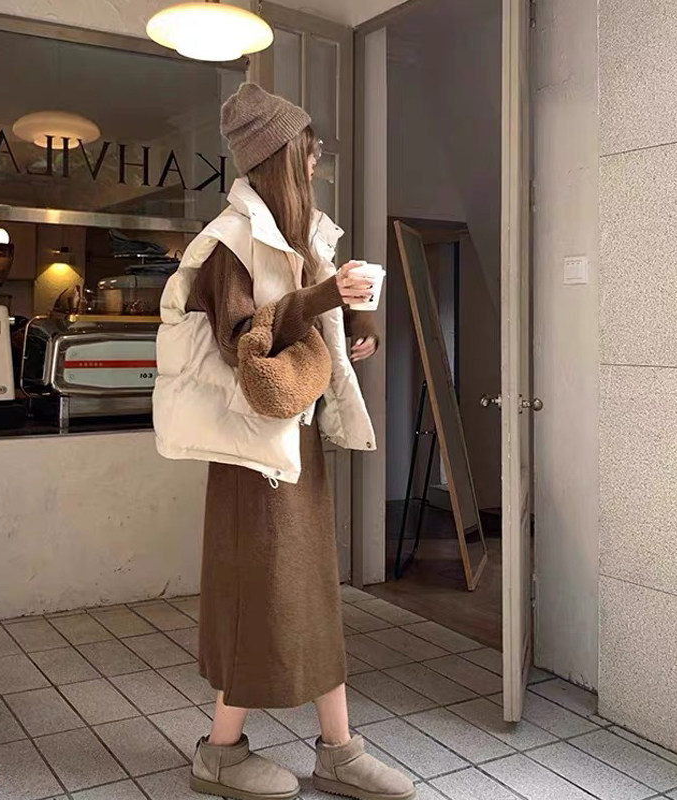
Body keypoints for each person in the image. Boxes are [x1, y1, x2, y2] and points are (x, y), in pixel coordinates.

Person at [154, 83, 415, 800]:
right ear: (279, 158)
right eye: (308, 151)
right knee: (259, 594)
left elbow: (305, 324)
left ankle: (338, 748)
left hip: (294, 445)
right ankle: (220, 752)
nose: (316, 162)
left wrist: (357, 325)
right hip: (251, 452)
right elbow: (248, 342)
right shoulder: (227, 246)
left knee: (309, 594)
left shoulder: (300, 238)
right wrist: (327, 298)